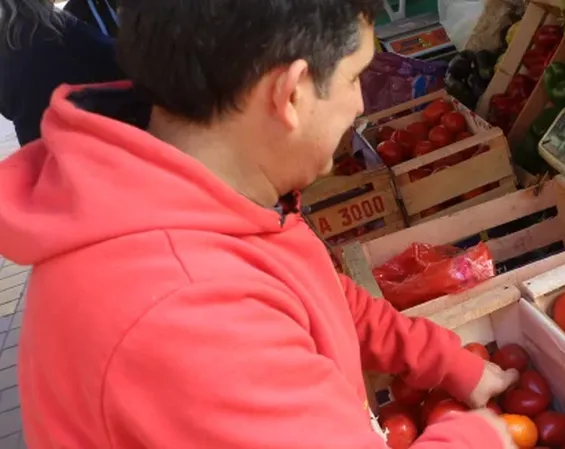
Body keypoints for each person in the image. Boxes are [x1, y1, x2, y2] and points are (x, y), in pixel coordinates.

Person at [0, 0, 520, 447]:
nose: (361, 104)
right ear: (290, 94)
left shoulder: (194, 189)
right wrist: (481, 436)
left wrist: (443, 359)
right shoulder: (183, 313)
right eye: (354, 77)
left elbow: (314, 290)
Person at [0, 0, 123, 145]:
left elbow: (6, 109)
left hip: (36, 147)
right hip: (80, 139)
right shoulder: (61, 28)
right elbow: (116, 58)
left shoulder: (5, 47)